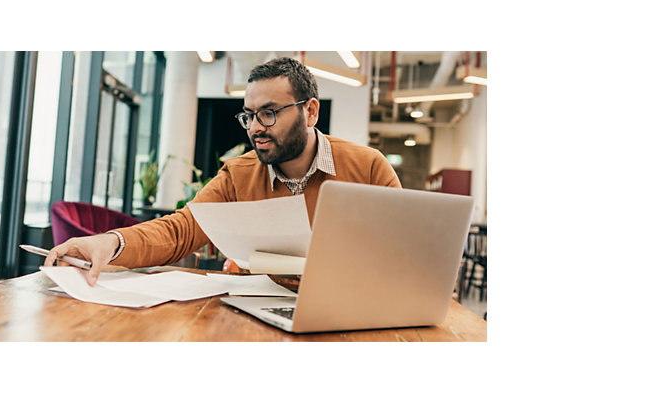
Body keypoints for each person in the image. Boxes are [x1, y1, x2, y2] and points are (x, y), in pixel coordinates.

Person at [45, 56, 401, 285]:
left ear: (310, 112)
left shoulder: (368, 168)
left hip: (347, 313)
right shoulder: (238, 174)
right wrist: (111, 241)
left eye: (269, 112)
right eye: (249, 114)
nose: (255, 127)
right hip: (260, 313)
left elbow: (401, 255)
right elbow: (180, 230)